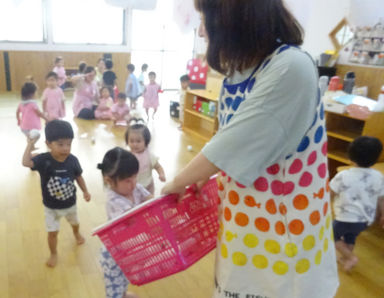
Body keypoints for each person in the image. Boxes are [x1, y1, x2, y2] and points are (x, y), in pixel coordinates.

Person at [162, 1, 339, 297]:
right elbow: (234, 139)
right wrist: (207, 173)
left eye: (206, 17)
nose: (202, 30)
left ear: (234, 18)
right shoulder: (240, 70)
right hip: (244, 221)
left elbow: (236, 142)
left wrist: (178, 182)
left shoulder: (291, 66)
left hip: (284, 229)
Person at [22, 120, 91, 267]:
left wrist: (85, 191)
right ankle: (53, 253)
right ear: (48, 143)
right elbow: (26, 163)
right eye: (60, 144)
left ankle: (76, 233)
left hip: (70, 203)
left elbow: (78, 176)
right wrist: (29, 144)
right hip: (51, 207)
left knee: (75, 223)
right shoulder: (43, 160)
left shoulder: (72, 160)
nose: (66, 148)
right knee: (52, 233)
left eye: (69, 144)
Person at [97, 147, 152, 298]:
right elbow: (132, 219)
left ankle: (122, 294)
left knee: (124, 278)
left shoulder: (134, 188)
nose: (133, 183)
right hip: (114, 255)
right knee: (114, 284)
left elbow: (149, 199)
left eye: (135, 177)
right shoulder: (113, 200)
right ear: (109, 181)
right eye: (127, 180)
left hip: (129, 249)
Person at [330, 136, 384, 272]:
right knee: (350, 237)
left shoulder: (343, 175)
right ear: (376, 158)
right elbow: (380, 199)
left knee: (331, 235)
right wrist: (382, 215)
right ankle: (346, 258)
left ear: (350, 156)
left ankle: (351, 257)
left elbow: (330, 193)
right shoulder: (379, 177)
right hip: (364, 221)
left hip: (344, 218)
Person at [125, 119, 165, 194]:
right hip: (133, 187)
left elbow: (158, 166)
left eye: (138, 141)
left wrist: (161, 174)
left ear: (146, 141)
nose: (135, 144)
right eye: (131, 141)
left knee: (148, 202)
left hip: (147, 186)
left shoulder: (149, 156)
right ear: (127, 141)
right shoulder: (127, 156)